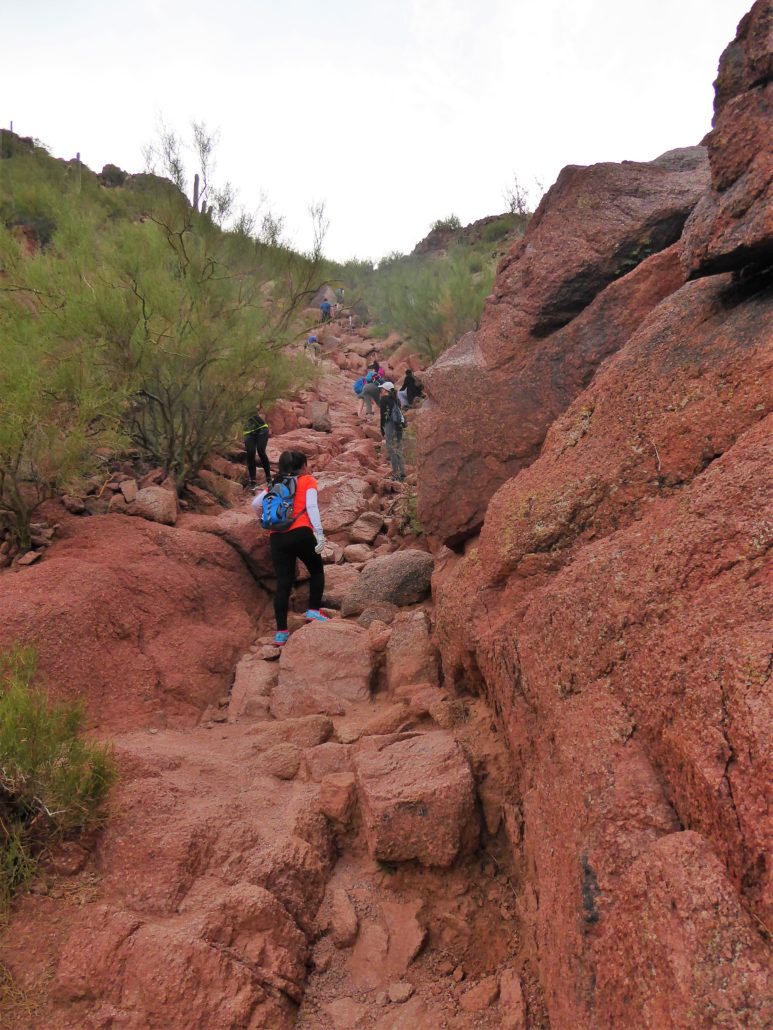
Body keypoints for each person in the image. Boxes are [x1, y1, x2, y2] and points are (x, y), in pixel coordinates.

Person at [252, 450, 328, 646]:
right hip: (301, 532)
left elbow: (255, 503)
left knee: (283, 584)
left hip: (277, 537)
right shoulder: (307, 480)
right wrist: (319, 532)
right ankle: (313, 611)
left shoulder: (275, 484)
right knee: (317, 571)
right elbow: (311, 507)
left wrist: (263, 520)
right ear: (302, 466)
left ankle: (281, 632)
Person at [379, 382, 406, 482]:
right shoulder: (397, 400)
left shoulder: (384, 399)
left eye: (381, 389)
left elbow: (383, 415)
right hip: (399, 425)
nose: (380, 391)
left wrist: (382, 428)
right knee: (398, 449)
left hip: (390, 425)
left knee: (391, 449)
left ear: (385, 390)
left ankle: (396, 474)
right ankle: (402, 473)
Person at [243, 408, 271, 490]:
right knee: (250, 453)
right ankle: (253, 482)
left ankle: (269, 479)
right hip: (248, 432)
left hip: (261, 428)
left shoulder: (246, 400)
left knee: (261, 450)